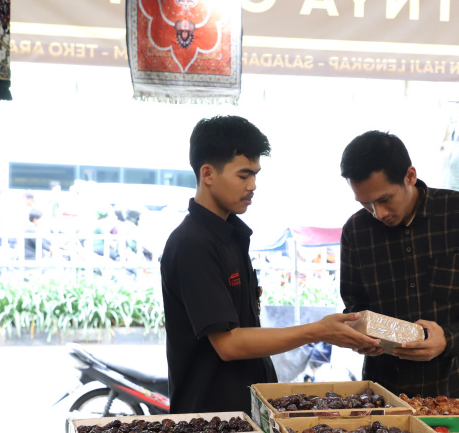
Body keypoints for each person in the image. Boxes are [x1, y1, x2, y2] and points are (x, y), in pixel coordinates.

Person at [161, 115, 379, 415]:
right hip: (211, 419)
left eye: (255, 175)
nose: (253, 185)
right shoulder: (192, 244)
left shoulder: (232, 236)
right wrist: (317, 330)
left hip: (244, 410)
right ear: (208, 174)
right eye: (243, 175)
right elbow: (229, 344)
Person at [339, 131, 459, 398]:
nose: (378, 214)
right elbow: (355, 305)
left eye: (384, 199)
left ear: (410, 176)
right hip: (385, 390)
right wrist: (360, 335)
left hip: (455, 388)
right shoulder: (356, 231)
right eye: (365, 203)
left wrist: (449, 338)